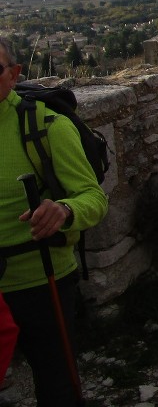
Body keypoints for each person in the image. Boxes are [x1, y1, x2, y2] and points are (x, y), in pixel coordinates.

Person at [0, 36, 108, 405]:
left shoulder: (47, 126)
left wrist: (63, 210)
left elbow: (93, 198)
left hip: (39, 276)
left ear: (13, 74)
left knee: (57, 383)